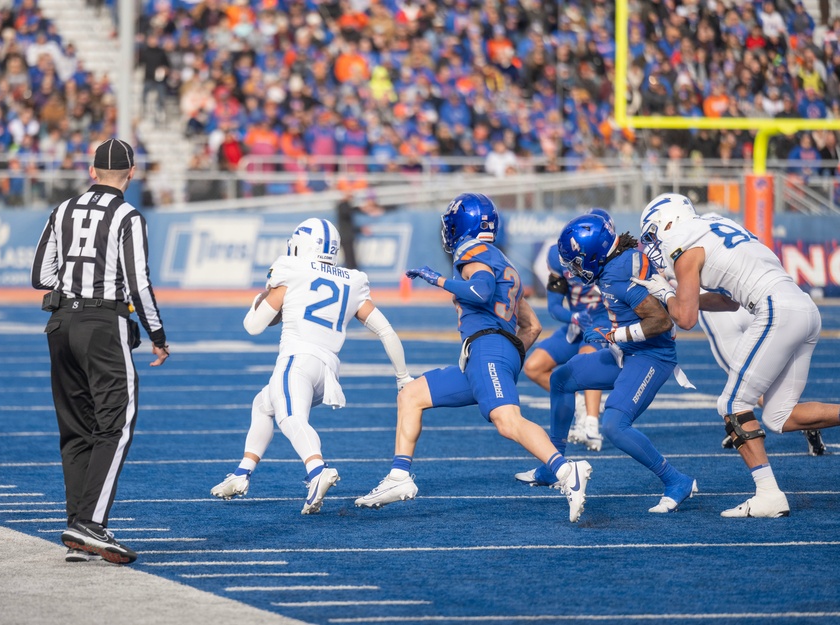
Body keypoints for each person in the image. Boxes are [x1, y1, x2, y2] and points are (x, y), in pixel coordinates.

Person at [354, 193, 592, 523]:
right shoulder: (503, 262)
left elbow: (480, 291)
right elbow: (533, 326)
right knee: (411, 396)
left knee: (507, 421)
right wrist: (507, 359)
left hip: (487, 348)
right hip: (489, 352)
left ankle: (567, 472)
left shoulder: (472, 251)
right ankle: (399, 476)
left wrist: (436, 279)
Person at [635, 193, 840, 517]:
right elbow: (729, 302)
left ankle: (769, 495)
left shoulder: (681, 242)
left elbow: (685, 319)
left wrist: (663, 292)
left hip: (777, 309)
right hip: (803, 308)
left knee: (732, 404)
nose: (651, 244)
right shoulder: (716, 224)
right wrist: (676, 294)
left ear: (667, 222)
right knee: (778, 416)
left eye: (651, 234)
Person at [210, 217, 414, 514]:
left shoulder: (290, 269)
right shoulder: (352, 279)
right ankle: (242, 473)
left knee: (289, 417)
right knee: (263, 404)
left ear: (301, 244)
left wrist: (266, 294)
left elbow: (253, 326)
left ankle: (318, 470)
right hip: (328, 371)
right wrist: (402, 376)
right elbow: (386, 331)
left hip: (297, 361)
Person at [31, 138, 170, 563]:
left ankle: (78, 525)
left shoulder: (61, 210)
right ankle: (90, 523)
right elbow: (138, 282)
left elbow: (41, 275)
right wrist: (158, 334)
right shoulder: (128, 215)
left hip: (60, 323)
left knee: (76, 430)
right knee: (115, 423)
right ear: (131, 174)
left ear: (91, 171)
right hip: (102, 323)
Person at [516, 212, 698, 514]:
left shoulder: (615, 273)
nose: (573, 269)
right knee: (561, 379)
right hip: (629, 351)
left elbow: (661, 322)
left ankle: (676, 480)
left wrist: (615, 334)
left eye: (577, 261)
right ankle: (553, 465)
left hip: (651, 355)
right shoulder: (618, 260)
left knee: (614, 425)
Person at [523, 209, 612, 453]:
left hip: (603, 322)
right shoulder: (558, 257)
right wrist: (573, 317)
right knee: (533, 367)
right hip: (575, 323)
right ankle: (581, 406)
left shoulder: (615, 258)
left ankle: (592, 426)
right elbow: (553, 307)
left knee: (586, 362)